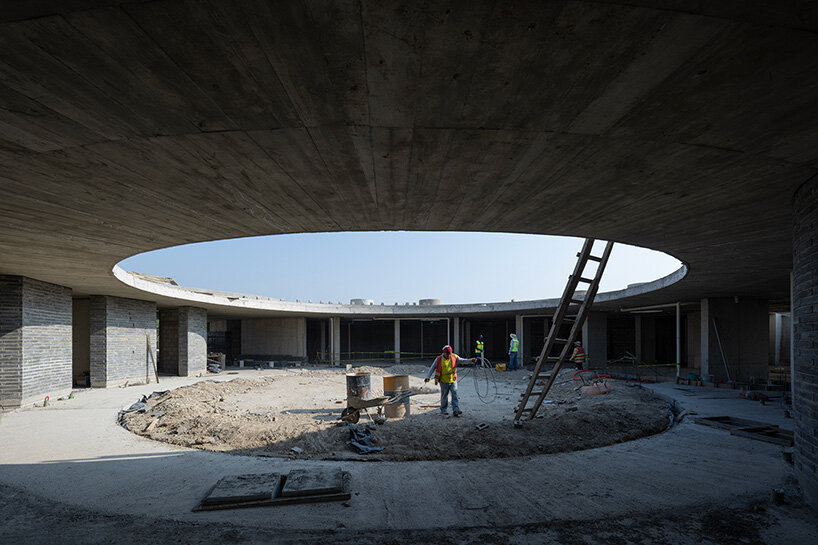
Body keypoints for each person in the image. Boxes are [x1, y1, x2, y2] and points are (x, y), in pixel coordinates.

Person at [424, 345, 475, 416]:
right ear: (444, 353)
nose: (448, 355)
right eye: (447, 354)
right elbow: (432, 368)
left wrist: (470, 361)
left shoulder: (454, 357)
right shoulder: (439, 359)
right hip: (443, 381)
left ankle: (456, 410)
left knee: (455, 395)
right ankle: (443, 410)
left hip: (453, 380)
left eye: (450, 353)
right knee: (444, 396)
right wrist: (428, 377)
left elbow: (462, 361)